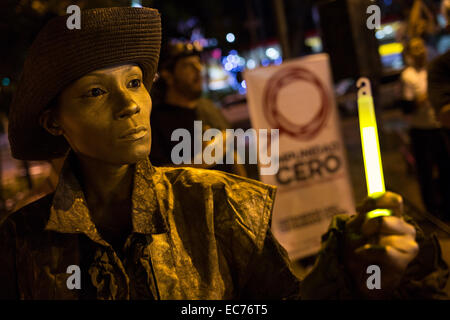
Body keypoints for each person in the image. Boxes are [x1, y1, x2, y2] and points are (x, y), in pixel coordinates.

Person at [0, 7, 447, 300]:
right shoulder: (20, 243)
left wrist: (352, 268)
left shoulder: (217, 204)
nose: (129, 104)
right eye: (96, 91)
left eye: (134, 82)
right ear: (53, 121)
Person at [149, 41, 247, 176]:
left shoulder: (208, 108)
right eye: (188, 66)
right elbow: (155, 177)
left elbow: (231, 156)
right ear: (168, 75)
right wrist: (199, 162)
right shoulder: (155, 121)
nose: (198, 69)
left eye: (198, 63)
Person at [400, 38, 449, 219]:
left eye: (421, 47)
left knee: (445, 167)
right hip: (421, 130)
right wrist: (426, 97)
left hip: (438, 127)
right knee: (425, 172)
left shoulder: (434, 69)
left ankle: (446, 206)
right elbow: (406, 106)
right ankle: (431, 211)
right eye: (415, 48)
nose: (420, 51)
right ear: (409, 54)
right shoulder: (408, 76)